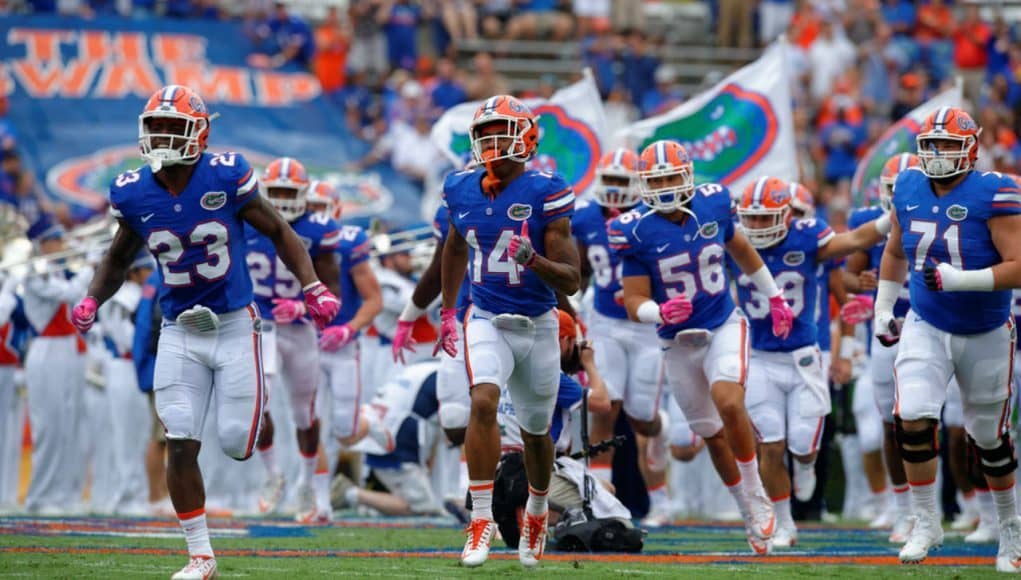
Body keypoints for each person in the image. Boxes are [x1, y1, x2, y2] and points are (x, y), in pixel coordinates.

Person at [70, 85, 340, 580]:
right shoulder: (132, 190)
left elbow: (281, 231)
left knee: (238, 441)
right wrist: (93, 296)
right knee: (179, 437)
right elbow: (117, 255)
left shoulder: (225, 174)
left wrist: (313, 285)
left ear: (200, 133)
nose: (163, 136)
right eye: (156, 126)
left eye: (174, 127)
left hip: (237, 324)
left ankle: (265, 452)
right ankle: (200, 556)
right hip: (179, 329)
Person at [609, 140, 794, 555]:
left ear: (688, 174)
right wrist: (659, 311)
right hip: (676, 341)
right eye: (656, 180)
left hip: (723, 322)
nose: (666, 187)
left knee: (729, 402)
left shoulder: (714, 203)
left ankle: (755, 491)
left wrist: (775, 295)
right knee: (710, 433)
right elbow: (633, 298)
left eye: (672, 177)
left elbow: (742, 250)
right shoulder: (634, 229)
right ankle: (747, 509)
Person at [874, 106, 1021, 571]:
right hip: (927, 322)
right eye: (931, 146)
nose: (938, 155)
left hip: (986, 330)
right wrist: (883, 306)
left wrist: (963, 280)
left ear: (971, 149)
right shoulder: (909, 185)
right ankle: (925, 520)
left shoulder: (995, 191)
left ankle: (1010, 528)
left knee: (987, 436)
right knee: (912, 414)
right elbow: (896, 250)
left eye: (949, 145)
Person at [438, 94, 581, 568]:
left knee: (536, 433)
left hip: (537, 322)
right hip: (485, 317)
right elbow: (455, 247)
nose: (492, 141)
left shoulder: (546, 190)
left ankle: (537, 510)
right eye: (485, 133)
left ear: (527, 137)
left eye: (502, 130)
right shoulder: (460, 187)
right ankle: (481, 520)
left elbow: (572, 279)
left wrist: (534, 259)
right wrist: (446, 310)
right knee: (482, 401)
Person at [733, 175, 891, 547]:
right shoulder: (734, 242)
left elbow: (852, 241)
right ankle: (785, 523)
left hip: (806, 355)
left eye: (764, 218)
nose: (755, 226)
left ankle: (804, 464)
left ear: (787, 216)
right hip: (758, 355)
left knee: (802, 446)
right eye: (750, 218)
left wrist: (892, 219)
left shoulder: (807, 236)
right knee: (770, 445)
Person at [571, 147, 670, 523]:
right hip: (606, 323)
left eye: (621, 181)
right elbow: (579, 267)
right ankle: (602, 502)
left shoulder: (651, 218)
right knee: (603, 408)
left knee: (642, 418)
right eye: (609, 180)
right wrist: (572, 302)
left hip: (646, 328)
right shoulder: (583, 218)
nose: (613, 189)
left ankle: (660, 443)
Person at [246, 157, 342, 524]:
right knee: (260, 402)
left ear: (305, 194)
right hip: (260, 326)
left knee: (305, 413)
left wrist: (303, 306)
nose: (284, 200)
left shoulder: (319, 228)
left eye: (291, 192)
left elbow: (332, 290)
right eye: (278, 192)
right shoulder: (245, 219)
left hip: (299, 329)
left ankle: (304, 481)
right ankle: (273, 474)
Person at [844, 152, 918, 542]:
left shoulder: (938, 216)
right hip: (886, 334)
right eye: (894, 190)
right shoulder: (870, 222)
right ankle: (904, 509)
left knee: (941, 422)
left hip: (931, 327)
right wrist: (864, 283)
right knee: (891, 426)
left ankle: (963, 506)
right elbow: (848, 277)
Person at [21, 220, 91, 514]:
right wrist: (91, 266)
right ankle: (40, 496)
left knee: (67, 427)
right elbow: (69, 294)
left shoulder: (60, 270)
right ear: (44, 244)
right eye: (56, 240)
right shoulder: (36, 273)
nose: (62, 245)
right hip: (46, 349)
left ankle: (63, 495)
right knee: (48, 427)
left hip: (67, 349)